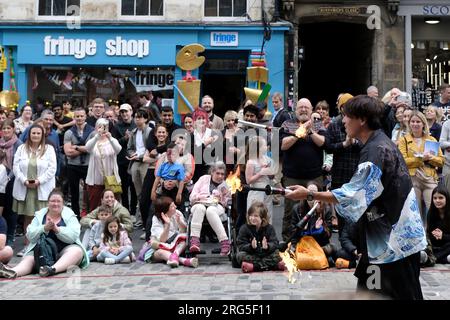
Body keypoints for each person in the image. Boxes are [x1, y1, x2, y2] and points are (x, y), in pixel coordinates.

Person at [286, 95, 427, 300]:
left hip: (396, 246)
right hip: (378, 247)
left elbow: (354, 195)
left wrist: (310, 193)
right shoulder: (375, 143)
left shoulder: (376, 151)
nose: (342, 121)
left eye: (346, 116)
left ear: (361, 119)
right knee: (369, 294)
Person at [0, 189, 89, 279]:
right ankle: (13, 272)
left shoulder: (69, 214)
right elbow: (30, 235)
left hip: (64, 250)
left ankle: (52, 269)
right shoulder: (39, 215)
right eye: (52, 201)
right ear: (48, 203)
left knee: (77, 251)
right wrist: (44, 228)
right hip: (42, 251)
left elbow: (73, 236)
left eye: (58, 201)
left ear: (63, 203)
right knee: (28, 259)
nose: (55, 204)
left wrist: (57, 229)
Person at [279, 98, 325, 241]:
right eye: (300, 107)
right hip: (292, 176)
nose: (303, 110)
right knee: (290, 211)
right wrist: (299, 132)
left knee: (315, 209)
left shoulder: (318, 124)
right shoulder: (287, 124)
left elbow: (323, 143)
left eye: (306, 107)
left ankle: (316, 240)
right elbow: (283, 145)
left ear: (311, 110)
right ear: (296, 110)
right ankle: (288, 242)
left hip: (314, 177)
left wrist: (310, 131)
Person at [13, 124, 57, 257]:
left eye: (38, 133)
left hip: (42, 188)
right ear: (29, 134)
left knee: (43, 218)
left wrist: (40, 181)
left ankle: (43, 247)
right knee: (28, 218)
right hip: (25, 188)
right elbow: (15, 167)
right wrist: (24, 180)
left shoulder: (49, 149)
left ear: (42, 135)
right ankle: (27, 246)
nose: (36, 135)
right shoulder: (21, 148)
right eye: (33, 133)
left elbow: (52, 169)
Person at [398, 110, 444, 225]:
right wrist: (420, 160)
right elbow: (402, 161)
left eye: (418, 121)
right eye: (412, 121)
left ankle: (432, 235)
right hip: (412, 179)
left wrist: (430, 158)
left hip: (429, 178)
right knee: (415, 211)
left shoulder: (431, 140)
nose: (415, 124)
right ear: (409, 123)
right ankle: (419, 239)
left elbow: (441, 161)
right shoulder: (403, 140)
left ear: (423, 123)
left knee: (433, 209)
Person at [188, 161, 231, 255]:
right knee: (200, 208)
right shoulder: (203, 179)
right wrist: (200, 197)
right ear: (212, 172)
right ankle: (194, 242)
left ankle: (225, 243)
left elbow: (228, 203)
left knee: (210, 211)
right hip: (199, 203)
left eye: (222, 174)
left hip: (216, 206)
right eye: (217, 173)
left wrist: (222, 198)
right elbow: (192, 196)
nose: (220, 176)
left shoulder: (225, 185)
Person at [148, 196, 198, 268]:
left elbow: (184, 232)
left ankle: (175, 256)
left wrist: (179, 222)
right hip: (161, 246)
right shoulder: (156, 218)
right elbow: (162, 240)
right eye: (172, 206)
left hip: (176, 245)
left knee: (183, 239)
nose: (175, 206)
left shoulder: (177, 213)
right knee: (161, 252)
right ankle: (184, 261)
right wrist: (167, 225)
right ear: (165, 209)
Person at [289, 182, 335, 260]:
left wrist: (319, 229)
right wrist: (303, 229)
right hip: (302, 245)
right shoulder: (297, 209)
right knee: (287, 249)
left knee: (333, 248)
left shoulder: (326, 209)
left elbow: (328, 235)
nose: (310, 195)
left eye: (313, 192)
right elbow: (293, 234)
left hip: (319, 245)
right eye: (308, 192)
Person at [63, 107, 95, 217]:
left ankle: (89, 214)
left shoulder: (92, 131)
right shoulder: (69, 132)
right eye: (77, 116)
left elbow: (92, 149)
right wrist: (84, 148)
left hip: (88, 165)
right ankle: (75, 215)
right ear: (74, 117)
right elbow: (68, 152)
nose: (79, 118)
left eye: (81, 116)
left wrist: (75, 147)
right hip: (73, 166)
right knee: (74, 192)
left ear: (85, 117)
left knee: (89, 192)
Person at [85, 118, 122, 211]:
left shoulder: (112, 140)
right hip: (95, 178)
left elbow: (118, 150)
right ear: (96, 127)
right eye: (100, 126)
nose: (102, 129)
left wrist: (110, 138)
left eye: (105, 126)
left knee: (112, 204)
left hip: (111, 178)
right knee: (95, 203)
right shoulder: (94, 140)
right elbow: (87, 148)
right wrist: (97, 136)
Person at [237, 202, 284, 273]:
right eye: (251, 215)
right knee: (239, 256)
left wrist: (267, 246)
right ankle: (273, 266)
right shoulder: (244, 228)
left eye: (256, 216)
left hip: (266, 253)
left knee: (281, 253)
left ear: (263, 218)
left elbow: (275, 243)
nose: (252, 218)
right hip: (252, 254)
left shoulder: (269, 228)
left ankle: (255, 267)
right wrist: (251, 246)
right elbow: (241, 245)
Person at [0, 120, 22, 246]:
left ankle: (10, 236)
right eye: (4, 128)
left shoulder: (18, 144)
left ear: (13, 129)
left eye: (9, 128)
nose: (6, 130)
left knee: (11, 209)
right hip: (0, 179)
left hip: (12, 179)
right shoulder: (0, 142)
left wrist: (8, 177)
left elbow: (17, 164)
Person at [245, 136, 275, 217]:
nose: (266, 147)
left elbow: (272, 177)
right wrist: (260, 173)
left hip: (267, 191)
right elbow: (248, 180)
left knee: (267, 215)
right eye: (264, 145)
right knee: (256, 214)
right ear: (258, 148)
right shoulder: (251, 162)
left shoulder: (268, 159)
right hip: (256, 191)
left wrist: (270, 172)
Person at [426, 186, 450, 264]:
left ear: (447, 198)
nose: (437, 200)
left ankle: (432, 258)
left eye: (441, 198)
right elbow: (429, 234)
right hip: (436, 246)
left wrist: (442, 236)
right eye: (435, 198)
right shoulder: (431, 213)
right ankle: (444, 259)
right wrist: (435, 235)